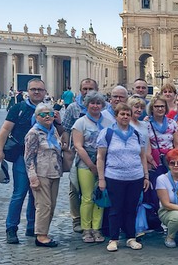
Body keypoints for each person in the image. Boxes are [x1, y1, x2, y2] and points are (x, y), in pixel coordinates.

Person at [0, 78, 58, 244]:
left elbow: (57, 131)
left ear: (45, 92)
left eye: (40, 89)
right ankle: (11, 228)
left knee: (35, 194)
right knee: (20, 192)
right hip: (22, 157)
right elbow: (5, 129)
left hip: (44, 160)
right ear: (27, 91)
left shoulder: (48, 109)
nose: (36, 92)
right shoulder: (19, 108)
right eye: (33, 89)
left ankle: (33, 227)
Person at [96, 103, 150, 252]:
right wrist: (101, 178)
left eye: (128, 114)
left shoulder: (136, 134)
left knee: (131, 209)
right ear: (116, 116)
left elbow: (142, 156)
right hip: (114, 176)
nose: (125, 117)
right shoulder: (107, 133)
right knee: (115, 209)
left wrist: (146, 175)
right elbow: (100, 157)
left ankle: (131, 237)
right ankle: (114, 239)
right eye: (122, 114)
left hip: (135, 177)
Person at [71, 91, 113, 243]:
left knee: (101, 196)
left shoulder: (109, 122)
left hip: (104, 163)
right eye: (92, 103)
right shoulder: (80, 123)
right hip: (85, 164)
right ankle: (86, 229)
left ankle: (97, 228)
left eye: (98, 103)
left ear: (102, 105)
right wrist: (91, 165)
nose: (95, 106)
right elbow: (78, 146)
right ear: (86, 104)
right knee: (88, 197)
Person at [24, 103, 63, 247]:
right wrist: (32, 177)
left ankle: (44, 232)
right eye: (43, 114)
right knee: (43, 205)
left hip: (54, 173)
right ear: (36, 117)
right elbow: (28, 158)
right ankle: (41, 236)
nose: (47, 116)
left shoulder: (53, 131)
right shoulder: (33, 133)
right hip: (41, 173)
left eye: (50, 114)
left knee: (51, 205)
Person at [62, 77, 99, 233]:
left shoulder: (103, 107)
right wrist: (66, 149)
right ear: (80, 90)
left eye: (91, 89)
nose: (87, 91)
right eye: (85, 89)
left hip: (98, 156)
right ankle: (77, 219)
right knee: (75, 187)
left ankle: (95, 222)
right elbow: (66, 129)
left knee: (96, 189)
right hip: (77, 154)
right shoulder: (72, 108)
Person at [147, 95, 178, 174]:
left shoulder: (172, 123)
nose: (160, 109)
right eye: (156, 106)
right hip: (153, 160)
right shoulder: (147, 124)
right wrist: (149, 159)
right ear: (152, 108)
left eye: (162, 106)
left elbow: (177, 143)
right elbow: (146, 147)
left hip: (170, 159)